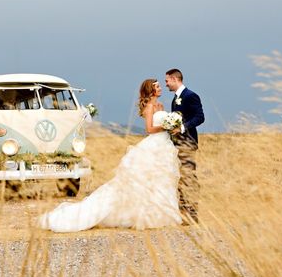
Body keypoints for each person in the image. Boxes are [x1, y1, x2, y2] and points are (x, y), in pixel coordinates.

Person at [39, 79, 182, 232]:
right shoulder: (149, 106)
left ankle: (161, 214)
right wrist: (166, 126)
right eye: (157, 86)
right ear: (151, 90)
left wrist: (172, 127)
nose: (160, 88)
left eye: (160, 85)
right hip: (154, 144)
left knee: (160, 179)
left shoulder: (160, 106)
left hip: (164, 145)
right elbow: (149, 129)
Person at [164, 68, 205, 224]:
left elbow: (200, 117)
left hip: (188, 143)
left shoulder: (190, 96)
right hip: (177, 144)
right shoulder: (176, 99)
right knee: (180, 177)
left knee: (189, 177)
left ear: (175, 79)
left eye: (167, 80)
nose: (166, 84)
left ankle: (192, 214)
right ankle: (183, 212)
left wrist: (182, 128)